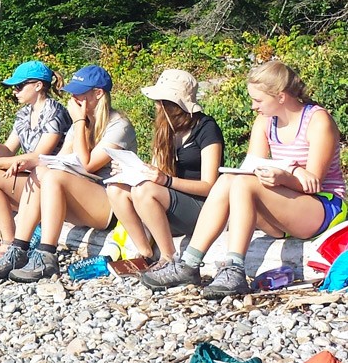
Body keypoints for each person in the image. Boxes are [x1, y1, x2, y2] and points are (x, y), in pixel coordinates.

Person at [141, 61, 345, 298]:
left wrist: (284, 175)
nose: (253, 106)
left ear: (280, 96)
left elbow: (313, 183)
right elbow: (251, 166)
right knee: (229, 179)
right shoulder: (265, 121)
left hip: (324, 206)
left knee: (243, 183)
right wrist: (284, 172)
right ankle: (189, 264)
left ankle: (234, 268)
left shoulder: (317, 120)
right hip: (287, 207)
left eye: (258, 100)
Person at [0, 64, 137, 282]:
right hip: (82, 198)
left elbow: (90, 165)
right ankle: (18, 249)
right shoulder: (79, 124)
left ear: (98, 93)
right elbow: (59, 160)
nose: (73, 98)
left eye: (79, 94)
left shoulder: (119, 126)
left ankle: (46, 254)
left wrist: (79, 121)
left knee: (52, 175)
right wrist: (27, 162)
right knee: (44, 170)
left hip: (110, 204)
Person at [105, 69, 224, 263]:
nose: (157, 106)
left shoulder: (206, 128)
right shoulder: (166, 128)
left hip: (203, 207)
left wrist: (166, 180)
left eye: (161, 102)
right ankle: (145, 252)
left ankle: (168, 258)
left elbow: (209, 185)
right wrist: (133, 170)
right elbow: (158, 171)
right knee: (116, 188)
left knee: (144, 191)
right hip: (172, 202)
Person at [0, 60, 70, 260]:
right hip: (28, 177)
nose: (14, 91)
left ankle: (11, 242)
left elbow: (39, 156)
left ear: (37, 86)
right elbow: (10, 150)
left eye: (19, 86)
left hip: (47, 183)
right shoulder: (24, 113)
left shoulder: (55, 112)